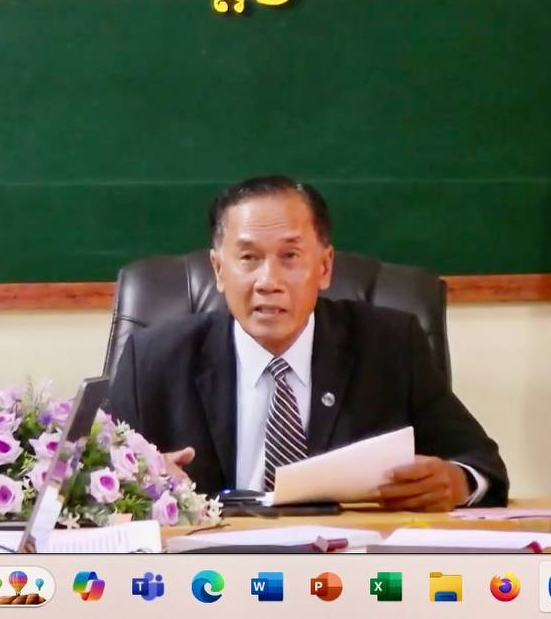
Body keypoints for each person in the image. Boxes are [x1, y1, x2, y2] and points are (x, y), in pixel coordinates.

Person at [108, 176, 509, 508]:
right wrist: (139, 480)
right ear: (218, 270)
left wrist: (458, 482)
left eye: (289, 257)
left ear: (324, 267)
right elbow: (93, 483)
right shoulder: (154, 359)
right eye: (248, 258)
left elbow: (482, 465)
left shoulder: (390, 346)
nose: (268, 281)